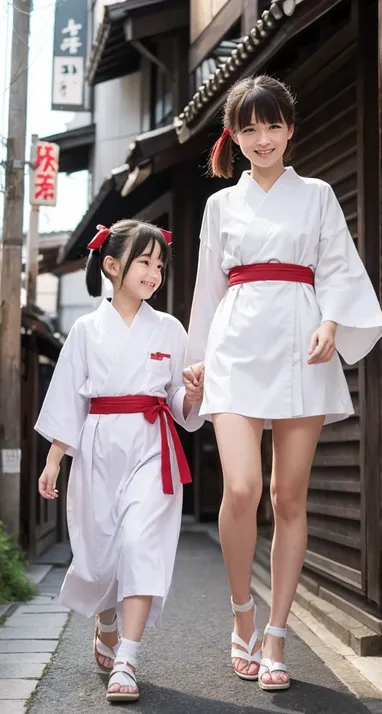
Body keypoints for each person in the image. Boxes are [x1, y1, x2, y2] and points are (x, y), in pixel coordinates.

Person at [184, 75, 382, 692]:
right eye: (249, 128)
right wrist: (196, 359)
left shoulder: (319, 194)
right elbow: (208, 291)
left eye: (273, 126)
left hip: (302, 344)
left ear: (291, 129)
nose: (262, 138)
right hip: (237, 346)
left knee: (288, 497)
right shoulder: (221, 205)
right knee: (241, 488)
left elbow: (339, 269)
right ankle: (242, 611)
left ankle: (276, 633)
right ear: (234, 136)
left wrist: (330, 320)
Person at [35, 219, 204, 703]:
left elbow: (176, 402)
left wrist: (190, 396)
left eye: (159, 264)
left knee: (140, 542)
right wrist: (53, 462)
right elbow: (69, 399)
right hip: (97, 447)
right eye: (143, 262)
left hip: (152, 444)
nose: (154, 272)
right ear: (112, 266)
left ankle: (128, 658)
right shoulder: (86, 330)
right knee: (97, 555)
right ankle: (106, 618)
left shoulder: (170, 329)